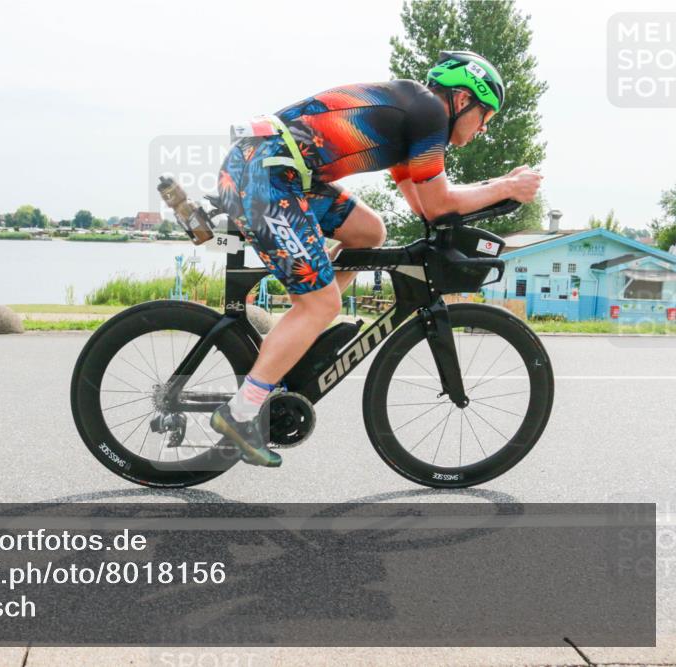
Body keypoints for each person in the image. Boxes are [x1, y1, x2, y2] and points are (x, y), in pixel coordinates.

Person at [210, 50, 543, 467]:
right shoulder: (428, 115)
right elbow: (440, 204)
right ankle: (240, 414)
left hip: (273, 171)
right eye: (485, 117)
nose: (483, 130)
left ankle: (296, 331)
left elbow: (424, 206)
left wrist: (498, 187)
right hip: (262, 175)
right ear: (462, 100)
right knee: (322, 303)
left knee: (368, 232)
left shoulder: (416, 118)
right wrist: (504, 186)